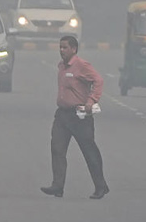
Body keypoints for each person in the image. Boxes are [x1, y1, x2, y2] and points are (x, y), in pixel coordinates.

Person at [41, 35, 110, 200]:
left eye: (65, 47)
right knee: (57, 149)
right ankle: (57, 186)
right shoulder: (61, 66)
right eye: (60, 47)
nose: (61, 50)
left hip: (79, 116)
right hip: (62, 115)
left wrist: (91, 100)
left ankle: (101, 186)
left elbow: (98, 81)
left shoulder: (81, 65)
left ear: (74, 49)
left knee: (89, 150)